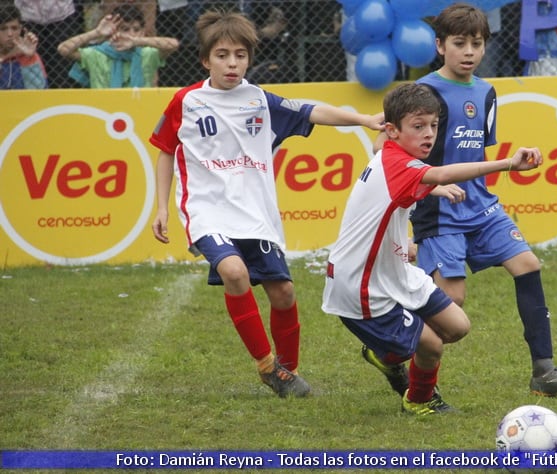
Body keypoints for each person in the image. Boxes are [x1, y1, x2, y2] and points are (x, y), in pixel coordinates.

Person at [148, 10, 384, 399]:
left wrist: (363, 119)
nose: (232, 63)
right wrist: (161, 208)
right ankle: (266, 366)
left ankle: (287, 372)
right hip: (207, 210)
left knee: (284, 293)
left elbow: (313, 111)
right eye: (222, 55)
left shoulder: (260, 100)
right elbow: (164, 151)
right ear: (206, 60)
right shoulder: (185, 101)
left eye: (240, 55)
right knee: (235, 273)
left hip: (255, 214)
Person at [366, 3, 557, 398]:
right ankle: (388, 350)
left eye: (477, 43)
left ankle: (544, 371)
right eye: (459, 43)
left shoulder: (487, 92)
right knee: (452, 304)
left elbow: (477, 157)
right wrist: (428, 186)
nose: (469, 51)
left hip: (482, 205)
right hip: (440, 210)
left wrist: (512, 164)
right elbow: (385, 145)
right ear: (439, 46)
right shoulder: (425, 92)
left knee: (528, 265)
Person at [323, 82, 543, 415]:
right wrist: (507, 164)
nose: (429, 134)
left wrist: (433, 191)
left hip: (393, 271)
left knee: (458, 326)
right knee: (432, 344)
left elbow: (409, 184)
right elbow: (438, 173)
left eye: (434, 125)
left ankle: (386, 354)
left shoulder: (393, 156)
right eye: (418, 126)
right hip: (362, 285)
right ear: (393, 131)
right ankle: (419, 399)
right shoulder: (400, 163)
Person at [57, 4, 178, 88]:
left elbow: (173, 44)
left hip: (141, 108)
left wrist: (137, 42)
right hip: (104, 109)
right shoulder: (97, 54)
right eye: (125, 29)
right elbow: (63, 49)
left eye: (136, 30)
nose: (131, 34)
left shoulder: (147, 53)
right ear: (113, 31)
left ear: (142, 32)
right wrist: (96, 33)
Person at [14, 0, 82, 88]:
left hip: (62, 14)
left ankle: (62, 96)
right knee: (33, 65)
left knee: (62, 68)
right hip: (27, 15)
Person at [0, 3, 47, 89]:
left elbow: (39, 91)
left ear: (20, 29)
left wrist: (29, 58)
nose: (10, 34)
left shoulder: (29, 55)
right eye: (3, 29)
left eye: (14, 28)